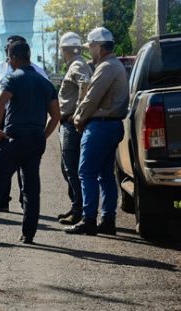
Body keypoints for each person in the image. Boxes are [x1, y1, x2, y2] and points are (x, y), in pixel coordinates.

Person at [0, 41, 60, 244]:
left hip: (14, 139)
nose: (9, 61)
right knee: (31, 189)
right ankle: (28, 234)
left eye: (9, 58)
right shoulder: (46, 84)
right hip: (35, 141)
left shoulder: (13, 79)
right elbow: (56, 116)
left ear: (14, 58)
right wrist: (43, 135)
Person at [65, 27, 129, 236]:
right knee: (104, 175)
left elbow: (92, 96)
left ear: (99, 47)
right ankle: (107, 219)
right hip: (111, 125)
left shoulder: (106, 67)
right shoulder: (113, 65)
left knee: (87, 172)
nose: (90, 51)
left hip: (100, 125)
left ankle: (89, 218)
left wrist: (79, 117)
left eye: (91, 46)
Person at [0, 35, 48, 212]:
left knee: (24, 165)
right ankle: (2, 201)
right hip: (5, 118)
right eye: (8, 49)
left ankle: (25, 202)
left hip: (26, 120)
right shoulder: (0, 67)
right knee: (2, 161)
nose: (9, 54)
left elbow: (49, 96)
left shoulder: (37, 71)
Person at [56, 31, 92, 226]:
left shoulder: (77, 64)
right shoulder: (76, 64)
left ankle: (79, 209)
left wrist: (78, 112)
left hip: (70, 124)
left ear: (66, 50)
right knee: (67, 167)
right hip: (66, 124)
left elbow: (85, 84)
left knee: (72, 168)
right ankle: (76, 205)